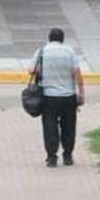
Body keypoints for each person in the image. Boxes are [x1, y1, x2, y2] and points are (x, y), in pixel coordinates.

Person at [28, 28, 86, 167]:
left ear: (49, 38)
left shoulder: (41, 52)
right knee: (69, 127)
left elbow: (31, 70)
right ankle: (67, 156)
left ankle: (52, 157)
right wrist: (81, 92)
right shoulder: (69, 52)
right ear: (62, 39)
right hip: (68, 96)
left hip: (48, 97)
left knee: (50, 127)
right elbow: (77, 72)